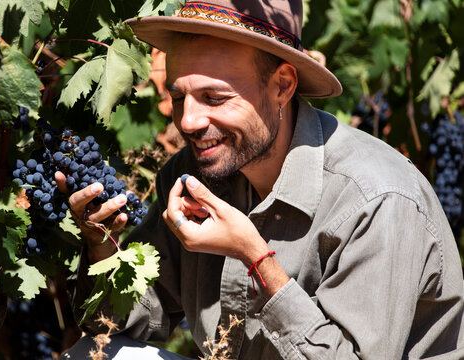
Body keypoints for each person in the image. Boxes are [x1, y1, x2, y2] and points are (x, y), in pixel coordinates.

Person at [59, 0, 464, 358]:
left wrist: (257, 259)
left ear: (282, 87)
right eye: (180, 97)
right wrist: (102, 248)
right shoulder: (195, 174)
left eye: (214, 98)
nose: (188, 121)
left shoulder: (376, 200)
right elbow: (118, 329)